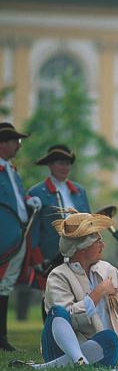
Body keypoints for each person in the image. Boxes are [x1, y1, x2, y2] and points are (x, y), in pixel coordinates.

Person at [9, 210, 118, 368]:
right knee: (57, 312)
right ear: (83, 248)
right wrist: (98, 293)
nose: (103, 244)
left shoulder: (109, 270)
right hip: (60, 351)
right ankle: (78, 360)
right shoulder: (58, 276)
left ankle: (43, 369)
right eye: (97, 240)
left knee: (110, 338)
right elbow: (68, 319)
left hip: (104, 349)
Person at [28, 145, 91, 296]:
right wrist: (37, 259)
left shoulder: (80, 191)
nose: (65, 167)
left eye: (68, 163)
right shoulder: (36, 192)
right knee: (53, 301)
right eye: (61, 163)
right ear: (50, 164)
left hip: (79, 254)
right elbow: (33, 231)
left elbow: (89, 223)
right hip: (51, 256)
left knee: (80, 301)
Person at [0, 122, 41, 351]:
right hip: (3, 237)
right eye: (15, 140)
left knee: (5, 286)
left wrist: (27, 202)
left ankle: (2, 337)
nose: (18, 145)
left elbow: (16, 200)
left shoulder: (11, 170)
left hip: (16, 236)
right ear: (3, 143)